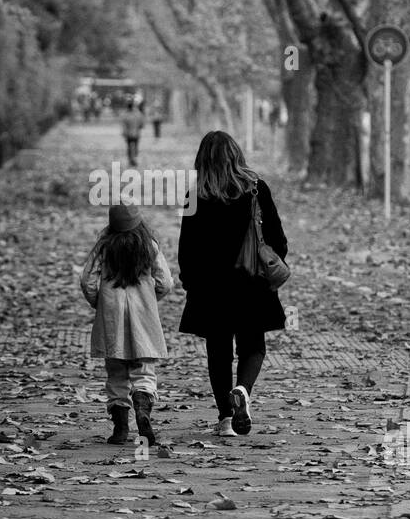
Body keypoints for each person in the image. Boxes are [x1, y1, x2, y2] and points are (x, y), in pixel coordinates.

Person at [178, 131, 288, 437]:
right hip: (251, 283)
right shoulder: (256, 189)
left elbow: (187, 248)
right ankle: (243, 389)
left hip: (210, 288)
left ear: (202, 159)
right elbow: (278, 240)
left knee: (218, 351)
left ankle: (226, 419)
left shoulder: (195, 195)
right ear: (236, 155)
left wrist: (190, 282)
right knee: (254, 346)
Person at [80, 204, 173, 446]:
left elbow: (87, 281)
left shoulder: (103, 247)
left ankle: (120, 428)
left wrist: (98, 303)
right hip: (143, 317)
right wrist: (151, 299)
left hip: (112, 317)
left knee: (116, 372)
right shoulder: (149, 246)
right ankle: (143, 410)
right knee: (143, 370)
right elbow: (165, 281)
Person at [121, 101, 144, 166]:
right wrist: (140, 127)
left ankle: (130, 159)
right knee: (136, 146)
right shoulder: (138, 114)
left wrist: (124, 133)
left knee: (129, 146)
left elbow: (123, 125)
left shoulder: (125, 115)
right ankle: (135, 158)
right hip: (136, 133)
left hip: (128, 134)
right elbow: (141, 123)